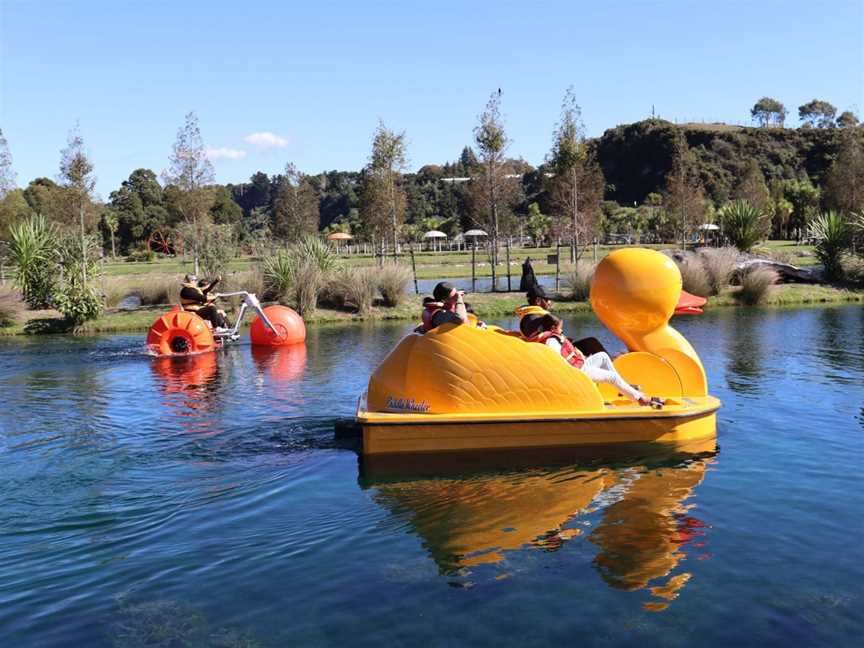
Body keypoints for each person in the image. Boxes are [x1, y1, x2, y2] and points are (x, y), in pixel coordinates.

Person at [529, 314, 663, 408]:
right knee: (612, 377)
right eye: (560, 327)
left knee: (603, 356)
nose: (562, 330)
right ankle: (640, 398)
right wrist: (576, 370)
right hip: (576, 371)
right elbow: (558, 362)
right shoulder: (551, 341)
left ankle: (624, 388)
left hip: (580, 364)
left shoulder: (555, 337)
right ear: (552, 329)